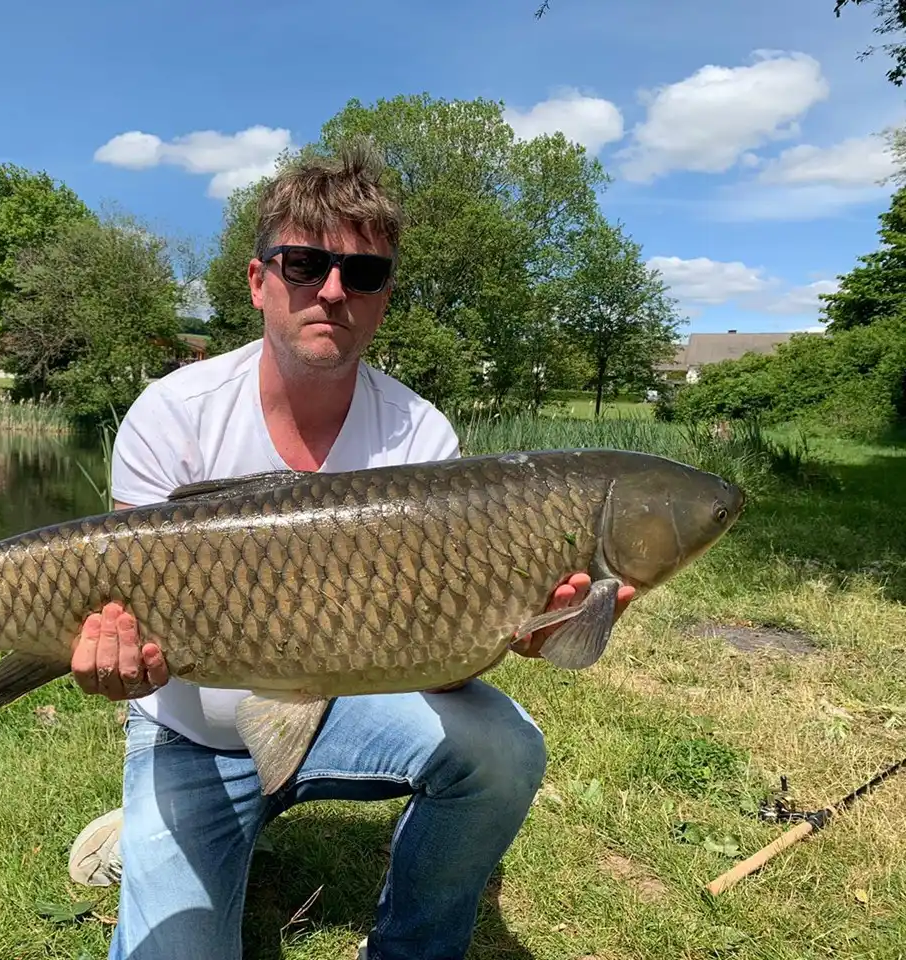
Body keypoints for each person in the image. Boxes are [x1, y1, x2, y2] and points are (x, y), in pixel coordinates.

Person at [64, 141, 634, 960]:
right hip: (188, 730)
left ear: (384, 298)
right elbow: (118, 610)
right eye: (303, 265)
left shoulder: (421, 436)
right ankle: (158, 827)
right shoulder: (173, 412)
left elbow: (442, 670)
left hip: (341, 712)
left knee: (504, 749)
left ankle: (411, 948)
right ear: (258, 281)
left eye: (361, 276)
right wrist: (110, 662)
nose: (332, 291)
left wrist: (512, 631)